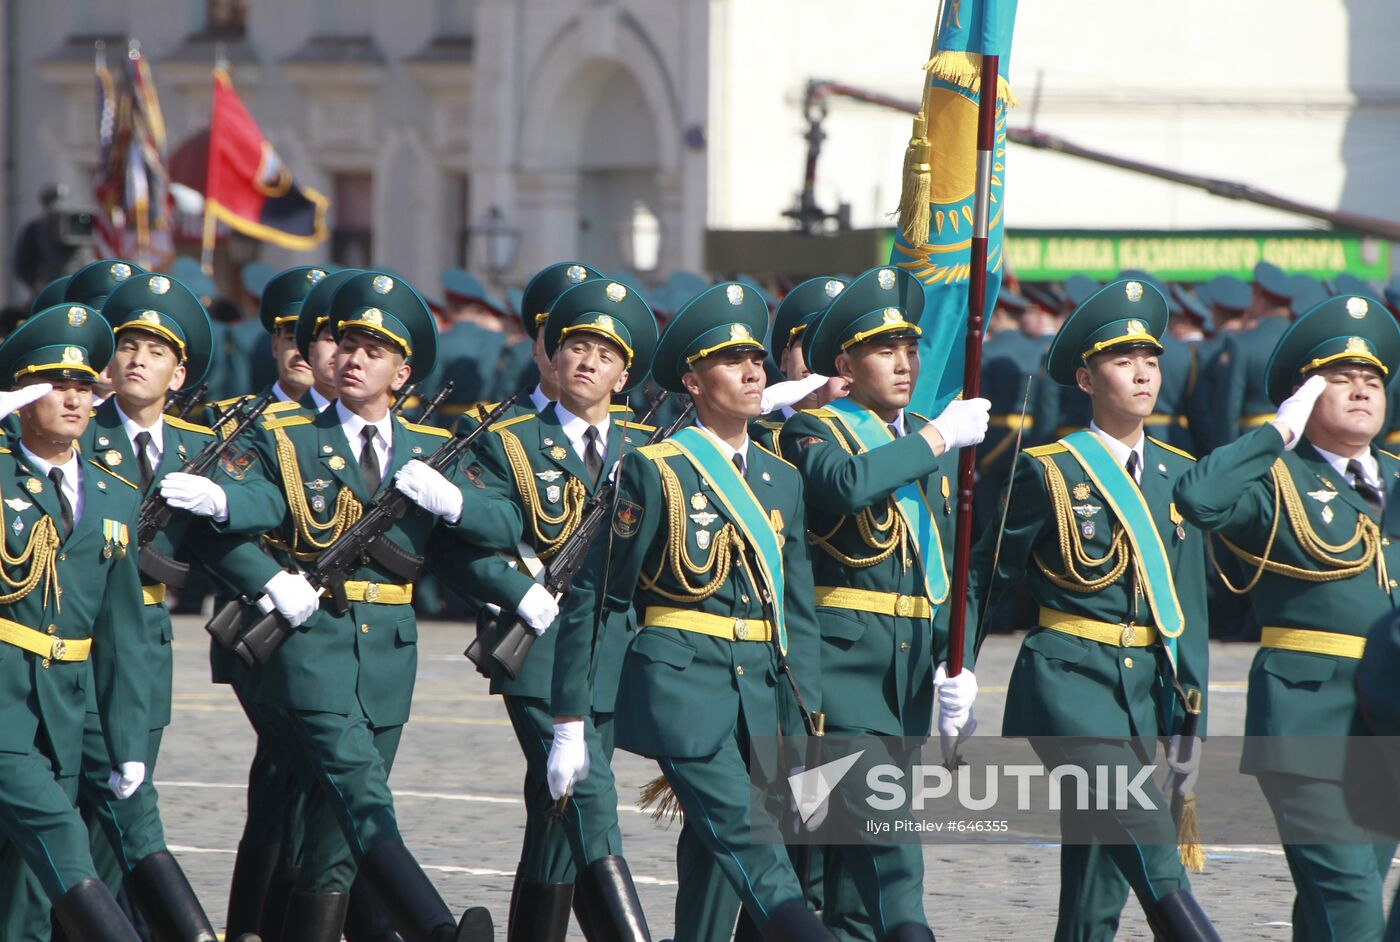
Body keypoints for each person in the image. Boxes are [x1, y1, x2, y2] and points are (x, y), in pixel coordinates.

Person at [161, 270, 521, 942]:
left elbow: (499, 524)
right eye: (347, 344)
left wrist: (456, 504)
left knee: (333, 838)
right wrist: (257, 556)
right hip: (311, 647)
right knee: (362, 791)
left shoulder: (429, 449)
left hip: (389, 656)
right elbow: (251, 510)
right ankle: (437, 931)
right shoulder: (289, 436)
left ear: (402, 373)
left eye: (372, 351)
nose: (353, 359)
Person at [547, 282, 835, 939]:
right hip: (683, 688)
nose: (753, 372)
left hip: (761, 692)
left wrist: (807, 722)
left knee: (715, 864)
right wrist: (571, 718)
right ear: (693, 381)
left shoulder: (781, 478)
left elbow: (797, 613)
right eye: (732, 361)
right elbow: (601, 596)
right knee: (754, 845)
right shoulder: (653, 470)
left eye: (756, 359)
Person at [966, 279, 1218, 940]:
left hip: (1142, 692)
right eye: (1122, 361)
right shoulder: (1049, 470)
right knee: (1149, 839)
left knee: (1097, 882)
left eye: (1151, 360)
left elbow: (1186, 605)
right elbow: (986, 578)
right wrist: (955, 672)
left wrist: (1191, 714)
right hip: (1069, 683)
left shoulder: (1178, 473)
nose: (1142, 373)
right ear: (1085, 378)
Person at [1174, 293, 1400, 941]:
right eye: (1341, 379)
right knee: (1352, 903)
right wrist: (1277, 432)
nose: (1362, 390)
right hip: (1307, 719)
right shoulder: (1276, 477)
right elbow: (1198, 499)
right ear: (1305, 394)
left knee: (1332, 907)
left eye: (1373, 379)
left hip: (1386, 722)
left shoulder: (1395, 478)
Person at [780, 265, 989, 942]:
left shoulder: (934, 434)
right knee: (894, 856)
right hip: (839, 678)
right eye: (882, 350)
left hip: (907, 681)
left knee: (853, 887)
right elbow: (845, 485)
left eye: (910, 348)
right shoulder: (813, 433)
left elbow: (957, 568)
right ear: (844, 365)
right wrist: (938, 440)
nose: (904, 363)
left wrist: (960, 662)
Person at [465, 277, 659, 941]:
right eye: (576, 347)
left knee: (557, 812)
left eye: (605, 355)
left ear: (622, 376)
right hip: (539, 648)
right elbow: (469, 545)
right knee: (590, 797)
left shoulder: (647, 443)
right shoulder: (509, 437)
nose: (587, 362)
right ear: (552, 355)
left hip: (611, 647)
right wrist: (515, 589)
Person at [0, 304, 147, 941]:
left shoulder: (115, 494)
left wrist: (127, 740)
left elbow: (121, 631)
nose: (73, 400)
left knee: (27, 894)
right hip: (4, 696)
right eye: (55, 386)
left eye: (84, 387)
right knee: (61, 834)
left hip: (63, 708)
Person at [749, 277, 850, 454]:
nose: (816, 361)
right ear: (785, 360)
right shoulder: (756, 436)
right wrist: (758, 404)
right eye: (807, 346)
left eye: (833, 349)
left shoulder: (866, 432)